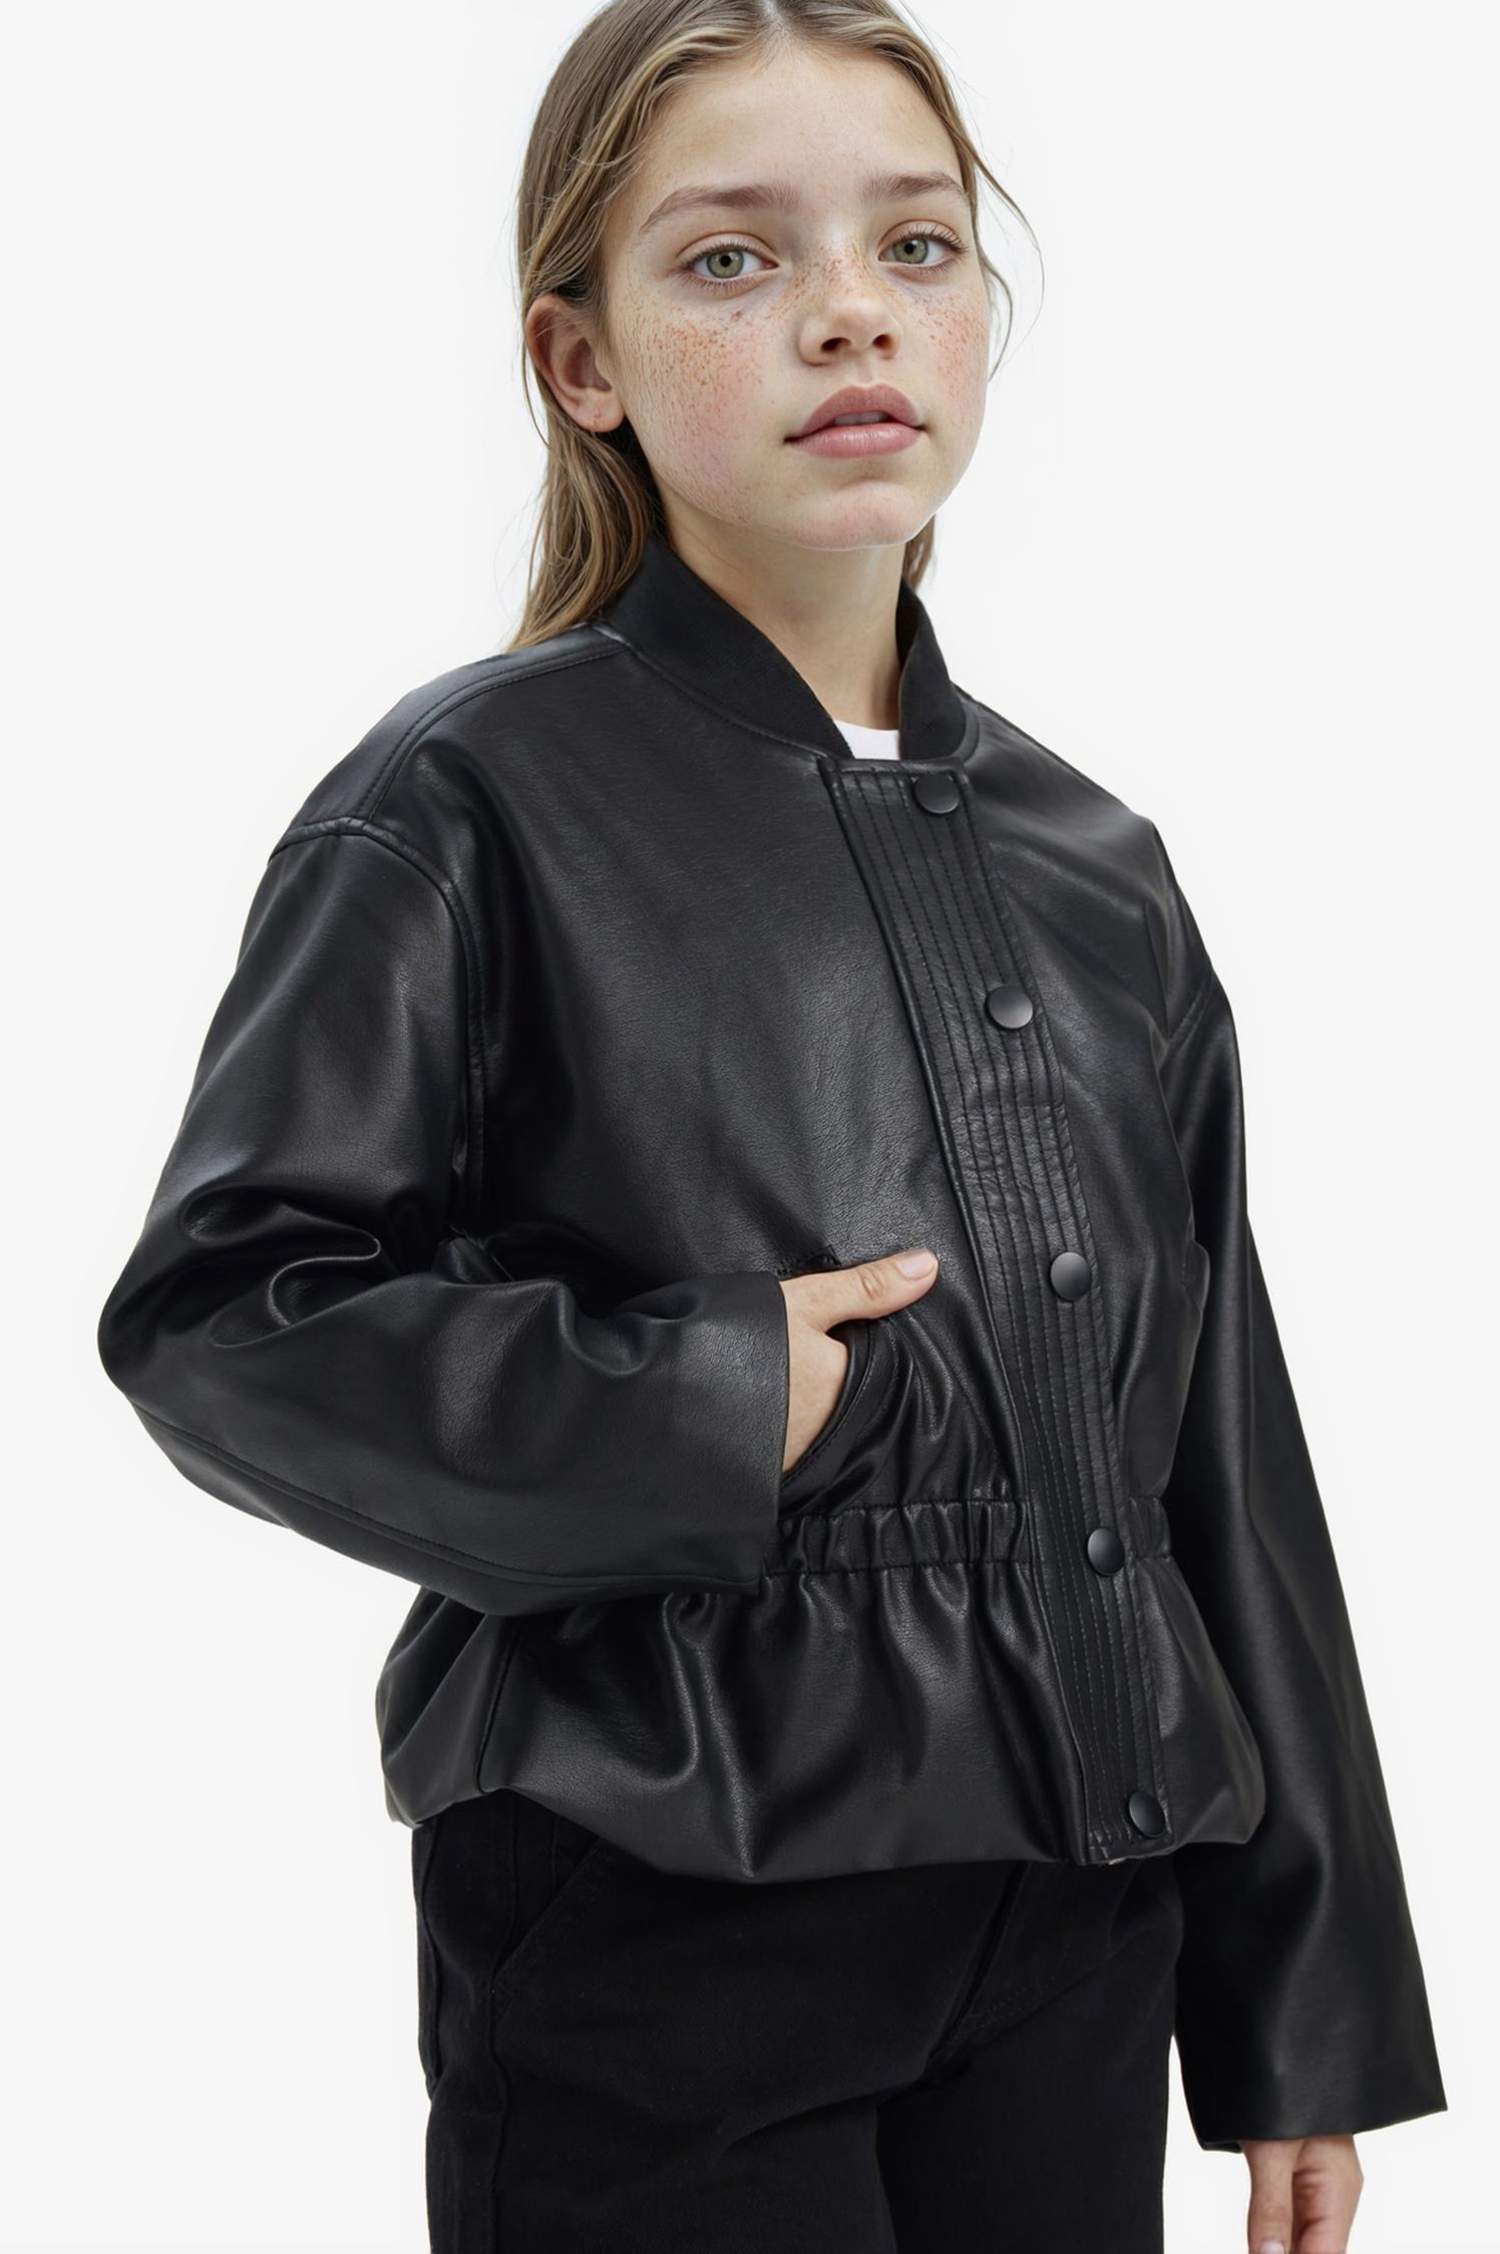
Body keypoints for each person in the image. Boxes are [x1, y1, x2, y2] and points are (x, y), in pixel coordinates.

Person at [95, 2, 1447, 2248]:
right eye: (733, 258)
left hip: (1074, 1933)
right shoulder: (465, 805)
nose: (849, 310)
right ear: (581, 362)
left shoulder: (1100, 868)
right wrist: (708, 1392)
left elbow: (1222, 1452)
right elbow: (224, 1320)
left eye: (916, 245)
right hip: (666, 1919)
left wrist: (1302, 2006)